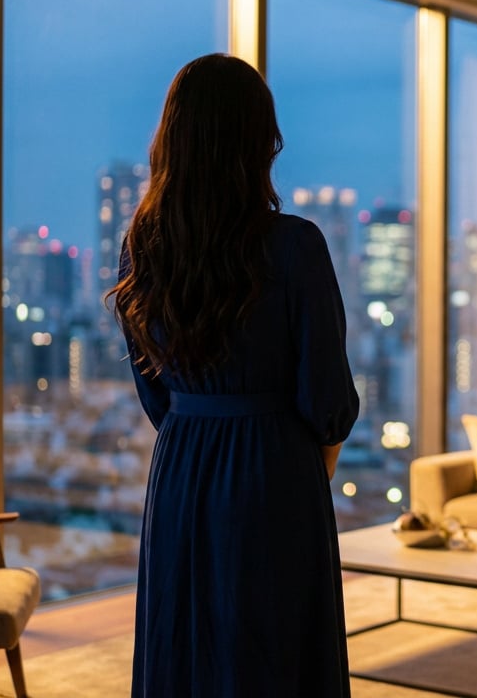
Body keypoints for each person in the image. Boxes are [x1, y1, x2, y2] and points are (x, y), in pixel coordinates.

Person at [110, 53, 360, 697]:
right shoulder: (295, 245)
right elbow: (327, 397)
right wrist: (300, 456)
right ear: (259, 141)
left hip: (182, 467)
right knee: (275, 649)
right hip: (274, 468)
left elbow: (153, 392)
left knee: (185, 639)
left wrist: (199, 427)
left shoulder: (143, 245)